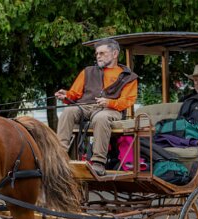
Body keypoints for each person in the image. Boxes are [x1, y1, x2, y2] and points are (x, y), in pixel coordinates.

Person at [55, 38, 138, 176]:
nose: (98, 56)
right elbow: (75, 94)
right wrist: (66, 96)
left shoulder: (128, 77)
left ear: (115, 54)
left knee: (101, 118)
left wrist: (109, 103)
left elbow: (127, 101)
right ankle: (59, 155)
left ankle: (98, 162)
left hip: (112, 110)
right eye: (97, 53)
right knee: (69, 111)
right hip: (86, 106)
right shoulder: (87, 71)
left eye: (102, 53)